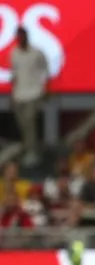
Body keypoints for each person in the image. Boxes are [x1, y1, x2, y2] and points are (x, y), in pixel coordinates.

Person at [10, 27, 49, 166]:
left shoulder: (36, 53)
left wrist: (44, 87)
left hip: (34, 93)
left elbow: (45, 69)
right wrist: (12, 94)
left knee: (30, 122)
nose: (20, 39)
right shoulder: (14, 53)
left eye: (22, 36)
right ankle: (28, 149)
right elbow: (14, 74)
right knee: (23, 125)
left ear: (26, 36)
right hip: (19, 94)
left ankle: (32, 153)